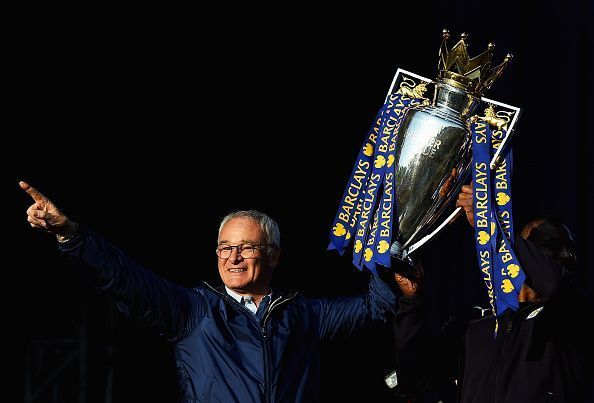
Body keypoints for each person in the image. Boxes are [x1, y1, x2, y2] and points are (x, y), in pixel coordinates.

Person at [20, 180, 398, 403]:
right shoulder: (195, 312)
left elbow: (374, 308)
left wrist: (391, 246)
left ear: (273, 256)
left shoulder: (304, 315)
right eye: (224, 247)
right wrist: (70, 234)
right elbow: (126, 280)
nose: (233, 257)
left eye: (246, 247)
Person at [391, 184, 594, 402]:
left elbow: (552, 284)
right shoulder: (477, 324)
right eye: (545, 242)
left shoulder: (572, 314)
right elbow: (413, 382)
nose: (565, 254)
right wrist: (412, 302)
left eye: (566, 247)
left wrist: (489, 224)